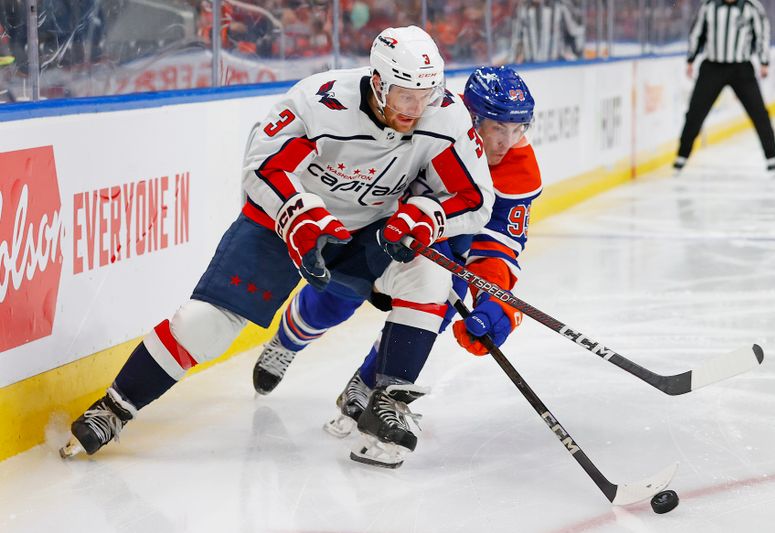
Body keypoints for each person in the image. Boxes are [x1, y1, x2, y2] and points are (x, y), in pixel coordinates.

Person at [60, 25, 493, 458]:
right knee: (202, 324)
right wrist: (297, 214)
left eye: (427, 94)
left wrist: (429, 216)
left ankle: (387, 402)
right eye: (405, 96)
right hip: (284, 222)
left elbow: (476, 198)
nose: (416, 108)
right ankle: (114, 408)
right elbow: (263, 166)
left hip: (370, 230)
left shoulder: (445, 117)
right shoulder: (320, 101)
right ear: (378, 82)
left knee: (432, 278)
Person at [253, 65, 541, 468]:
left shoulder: (519, 166)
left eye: (518, 128)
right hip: (378, 228)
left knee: (435, 308)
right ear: (472, 120)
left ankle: (370, 388)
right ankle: (287, 341)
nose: (508, 141)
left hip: (440, 240)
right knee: (335, 299)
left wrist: (495, 303)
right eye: (497, 127)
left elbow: (498, 243)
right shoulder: (428, 127)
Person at [673, 0, 775, 174]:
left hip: (741, 68)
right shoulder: (709, 6)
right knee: (695, 113)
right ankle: (682, 155)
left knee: (759, 114)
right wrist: (691, 59)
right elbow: (696, 32)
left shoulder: (751, 7)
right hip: (712, 67)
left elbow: (762, 34)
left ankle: (772, 157)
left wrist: (764, 61)